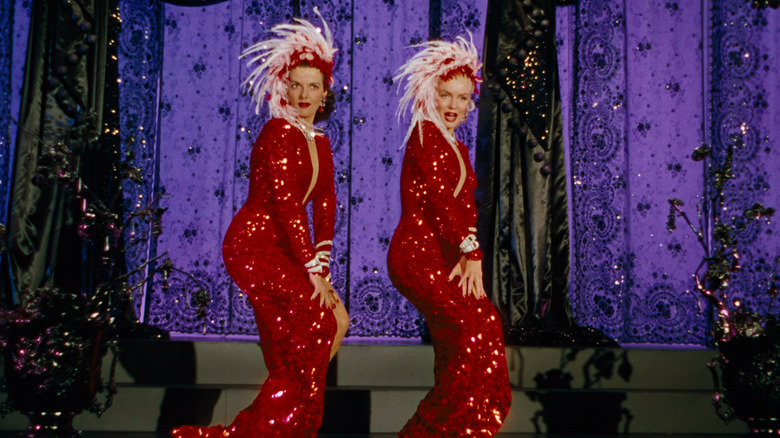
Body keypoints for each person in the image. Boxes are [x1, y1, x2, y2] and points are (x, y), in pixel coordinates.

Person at [171, 10, 349, 438]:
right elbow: (288, 206)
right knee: (315, 324)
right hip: (253, 247)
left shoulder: (318, 141)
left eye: (313, 86)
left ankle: (288, 417)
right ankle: (268, 426)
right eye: (296, 85)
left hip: (286, 249)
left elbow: (325, 204)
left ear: (325, 94)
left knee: (336, 320)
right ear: (284, 88)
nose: (304, 94)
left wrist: (321, 265)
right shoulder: (277, 133)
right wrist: (311, 271)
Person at [387, 35, 512, 437]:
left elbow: (464, 208)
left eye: (462, 97)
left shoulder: (454, 142)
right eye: (446, 95)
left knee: (475, 337)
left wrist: (464, 249)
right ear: (430, 93)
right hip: (417, 257)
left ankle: (462, 428)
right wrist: (471, 250)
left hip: (447, 256)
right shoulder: (426, 133)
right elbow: (442, 200)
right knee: (474, 332)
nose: (454, 106)